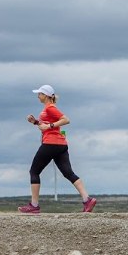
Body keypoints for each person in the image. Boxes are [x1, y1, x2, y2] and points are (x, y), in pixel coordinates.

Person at [20, 85, 97, 214]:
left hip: (50, 144)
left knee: (34, 171)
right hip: (61, 144)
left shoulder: (50, 108)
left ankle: (34, 205)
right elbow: (46, 126)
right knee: (68, 173)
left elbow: (66, 120)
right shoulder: (48, 109)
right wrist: (35, 122)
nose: (38, 96)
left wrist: (49, 126)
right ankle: (87, 199)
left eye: (39, 94)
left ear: (45, 95)